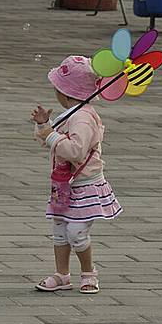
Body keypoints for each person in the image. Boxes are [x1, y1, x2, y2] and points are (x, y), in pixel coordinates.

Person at [31, 55, 122, 294]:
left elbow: (75, 150)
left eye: (57, 88)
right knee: (60, 230)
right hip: (64, 184)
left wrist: (49, 134)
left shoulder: (82, 117)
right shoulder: (73, 112)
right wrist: (44, 126)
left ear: (66, 92)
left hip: (85, 185)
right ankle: (62, 275)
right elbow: (49, 139)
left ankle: (89, 273)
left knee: (76, 232)